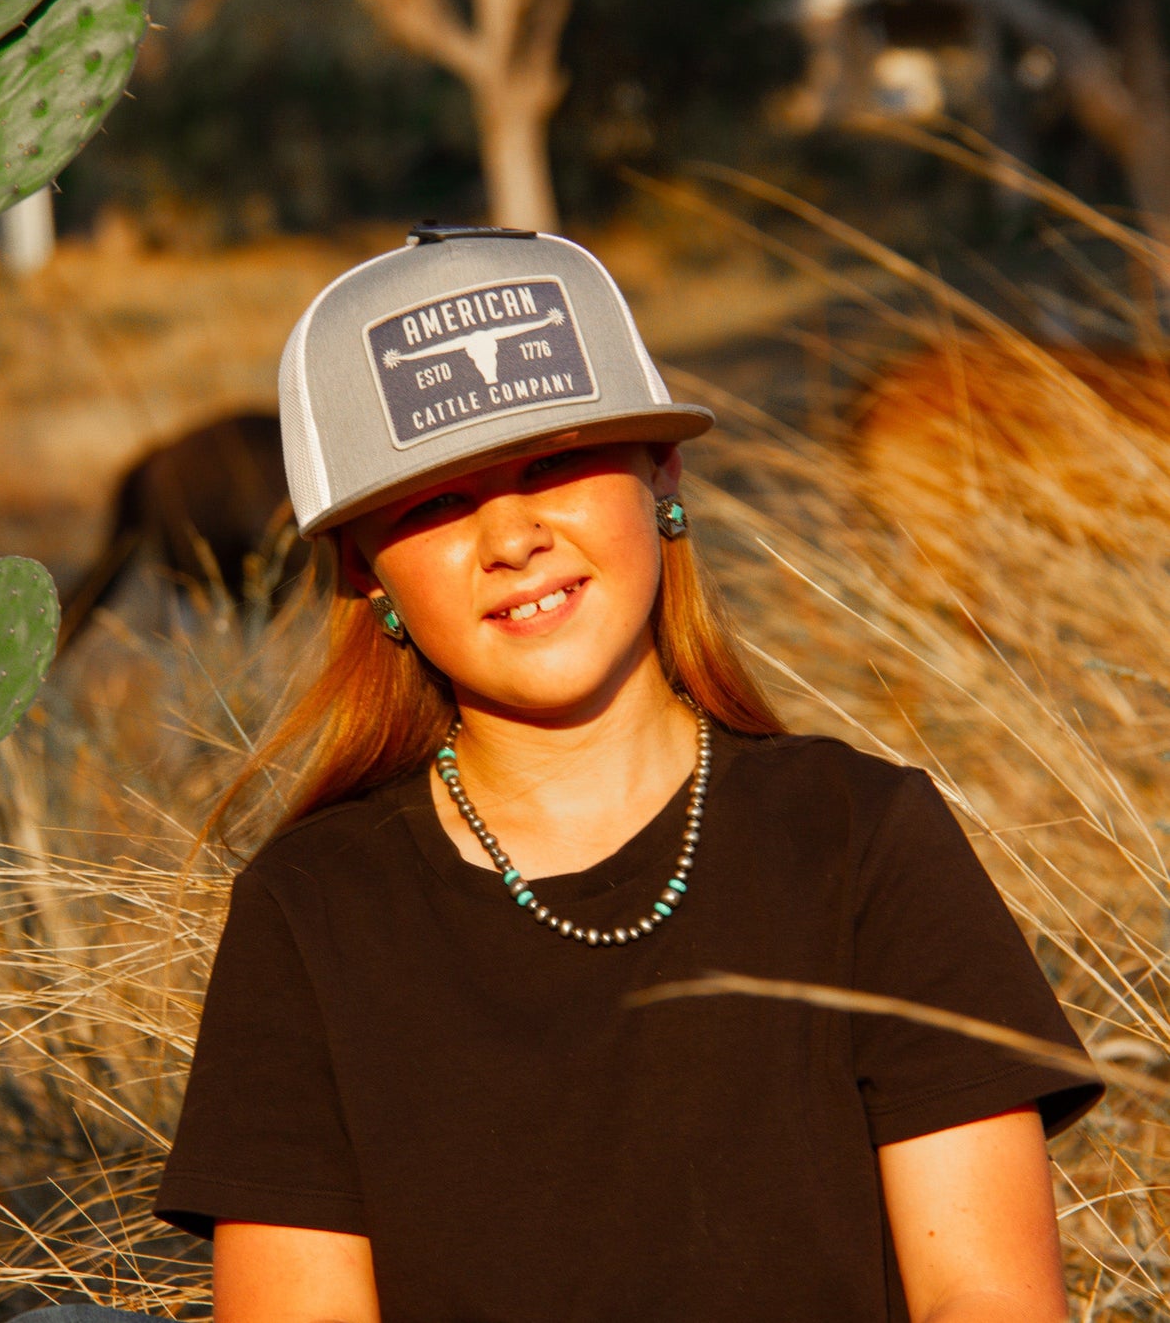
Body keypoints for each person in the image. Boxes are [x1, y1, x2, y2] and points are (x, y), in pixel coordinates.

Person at [153, 226, 1102, 1323]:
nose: (509, 534)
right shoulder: (308, 910)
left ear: (663, 472)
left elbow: (984, 1294)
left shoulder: (860, 835)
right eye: (434, 500)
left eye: (552, 460)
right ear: (366, 569)